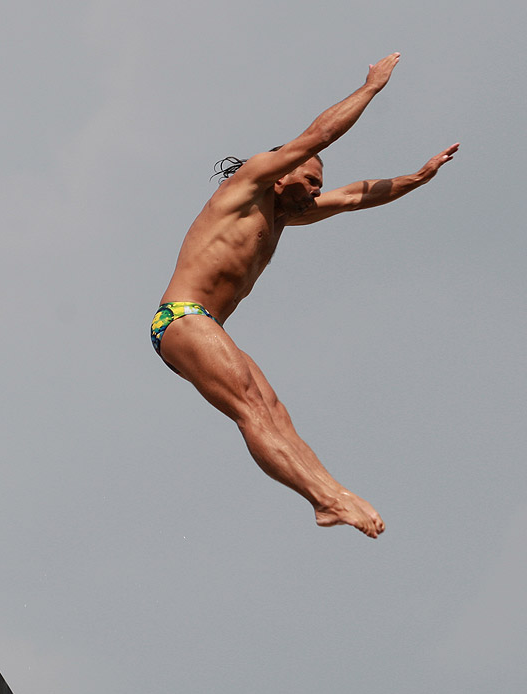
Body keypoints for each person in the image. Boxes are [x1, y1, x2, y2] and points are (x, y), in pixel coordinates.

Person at [151, 52, 458, 539]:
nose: (316, 192)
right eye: (310, 180)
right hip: (181, 318)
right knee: (250, 407)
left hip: (206, 325)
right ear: (281, 173)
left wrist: (417, 178)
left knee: (277, 414)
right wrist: (370, 88)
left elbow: (356, 196)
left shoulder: (283, 215)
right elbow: (319, 136)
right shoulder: (248, 186)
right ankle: (327, 499)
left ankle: (330, 497)